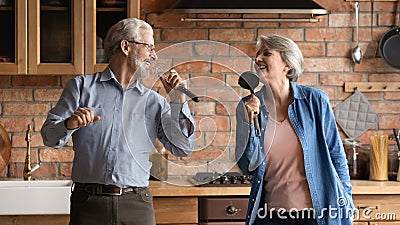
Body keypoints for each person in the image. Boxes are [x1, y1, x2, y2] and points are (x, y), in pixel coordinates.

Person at [41, 18, 195, 225]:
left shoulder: (154, 102)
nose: (154, 55)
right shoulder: (80, 87)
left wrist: (178, 103)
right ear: (125, 46)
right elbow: (49, 137)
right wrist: (69, 124)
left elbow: (183, 148)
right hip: (88, 204)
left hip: (137, 205)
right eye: (149, 47)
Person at [235, 34, 355, 225]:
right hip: (270, 217)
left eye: (266, 53)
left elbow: (336, 156)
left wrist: (345, 201)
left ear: (287, 65)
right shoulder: (247, 106)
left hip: (316, 216)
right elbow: (247, 166)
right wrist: (249, 123)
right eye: (257, 54)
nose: (257, 59)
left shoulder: (315, 101)